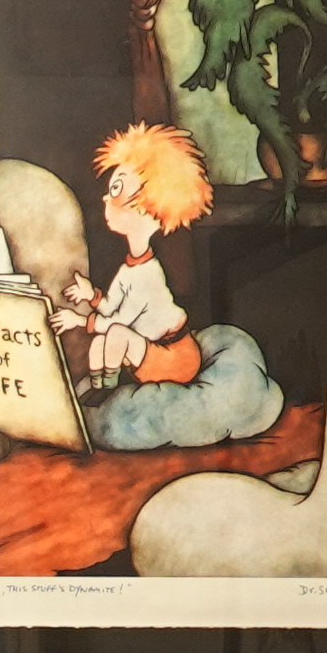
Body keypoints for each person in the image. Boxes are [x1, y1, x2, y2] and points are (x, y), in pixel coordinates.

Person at [67, 121, 289, 454]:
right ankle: (100, 394)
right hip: (152, 348)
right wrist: (92, 296)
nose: (106, 198)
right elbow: (111, 307)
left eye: (117, 189)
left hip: (175, 356)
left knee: (113, 335)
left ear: (147, 207)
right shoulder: (130, 267)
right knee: (103, 341)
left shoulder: (147, 275)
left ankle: (106, 394)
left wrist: (79, 321)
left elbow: (119, 322)